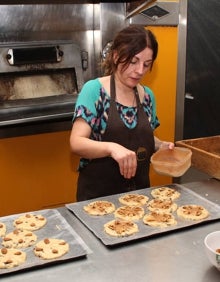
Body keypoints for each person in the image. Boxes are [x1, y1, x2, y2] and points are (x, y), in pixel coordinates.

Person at [70, 25, 174, 201]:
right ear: (116, 56)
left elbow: (142, 136)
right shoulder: (95, 91)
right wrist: (112, 148)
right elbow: (76, 143)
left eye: (146, 64)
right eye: (133, 62)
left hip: (139, 197)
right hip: (98, 199)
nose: (140, 70)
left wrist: (160, 146)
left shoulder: (147, 96)